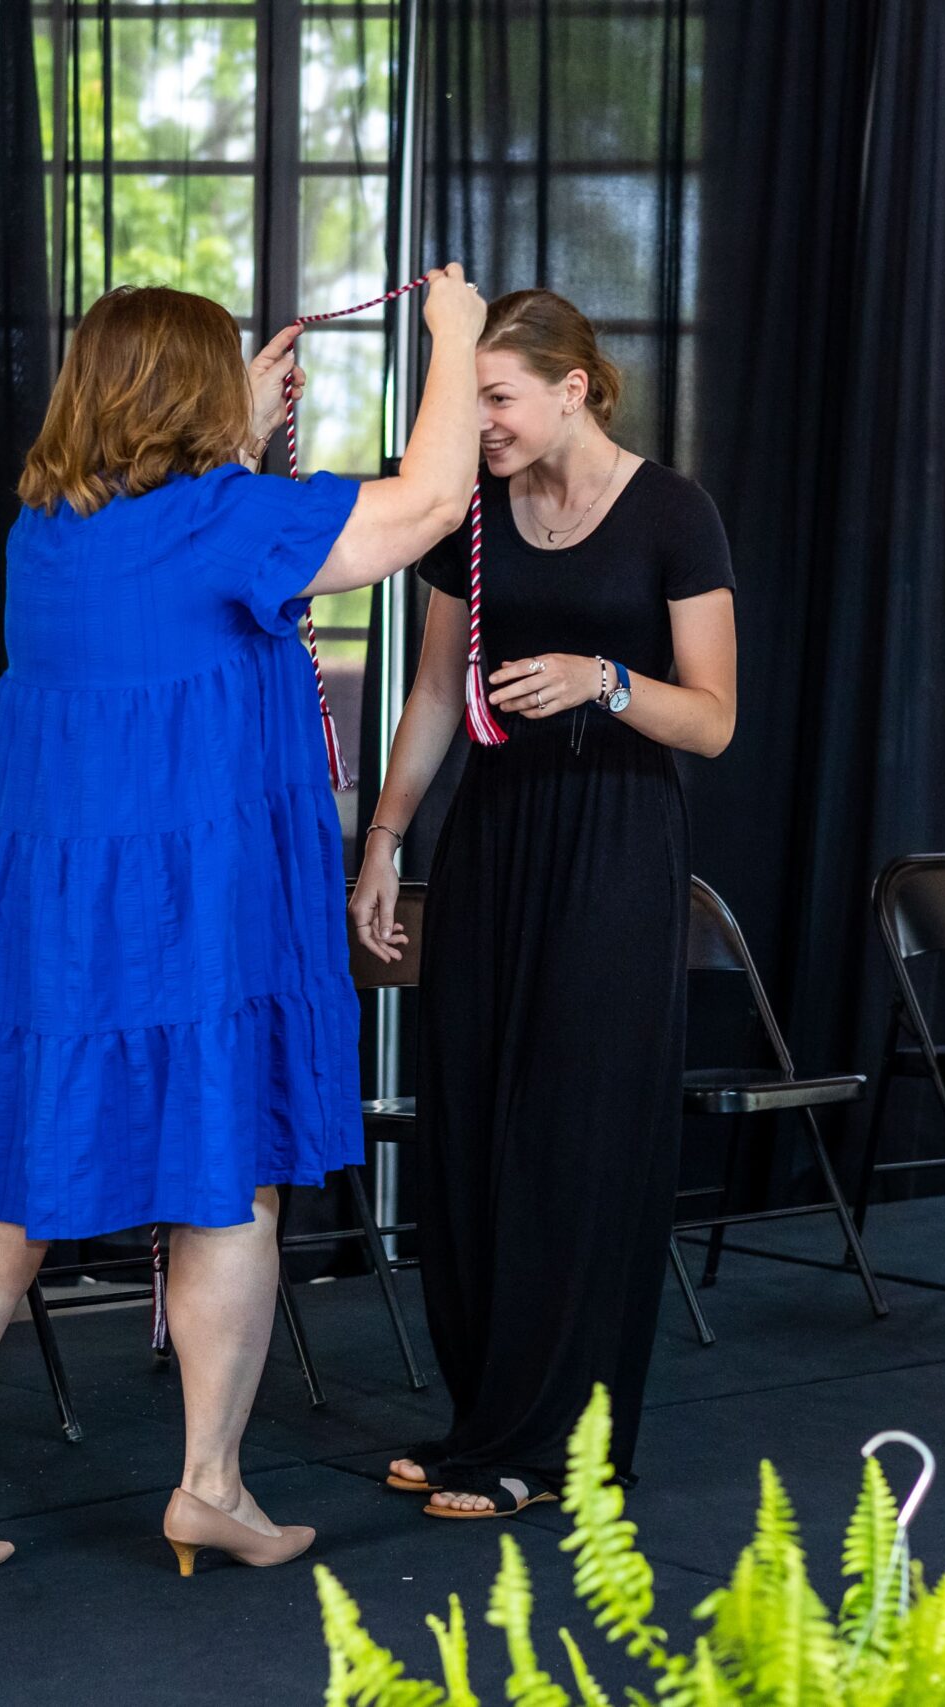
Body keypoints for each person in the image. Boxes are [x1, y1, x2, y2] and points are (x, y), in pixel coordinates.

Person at [0, 267, 487, 1575]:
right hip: (194, 916)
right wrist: (455, 338)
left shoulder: (47, 531)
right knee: (227, 1176)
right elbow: (432, 503)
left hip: (50, 920)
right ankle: (209, 1485)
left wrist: (235, 421)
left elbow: (172, 553)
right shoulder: (228, 523)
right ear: (196, 399)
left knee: (8, 1181)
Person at [351, 289, 738, 1518]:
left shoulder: (672, 514)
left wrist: (602, 679)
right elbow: (431, 695)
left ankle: (558, 1447)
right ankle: (486, 1423)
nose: (480, 422)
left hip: (615, 848)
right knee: (473, 1132)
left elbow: (713, 721)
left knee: (574, 1142)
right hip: (494, 839)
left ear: (574, 389)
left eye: (497, 397)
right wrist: (384, 841)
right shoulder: (471, 508)